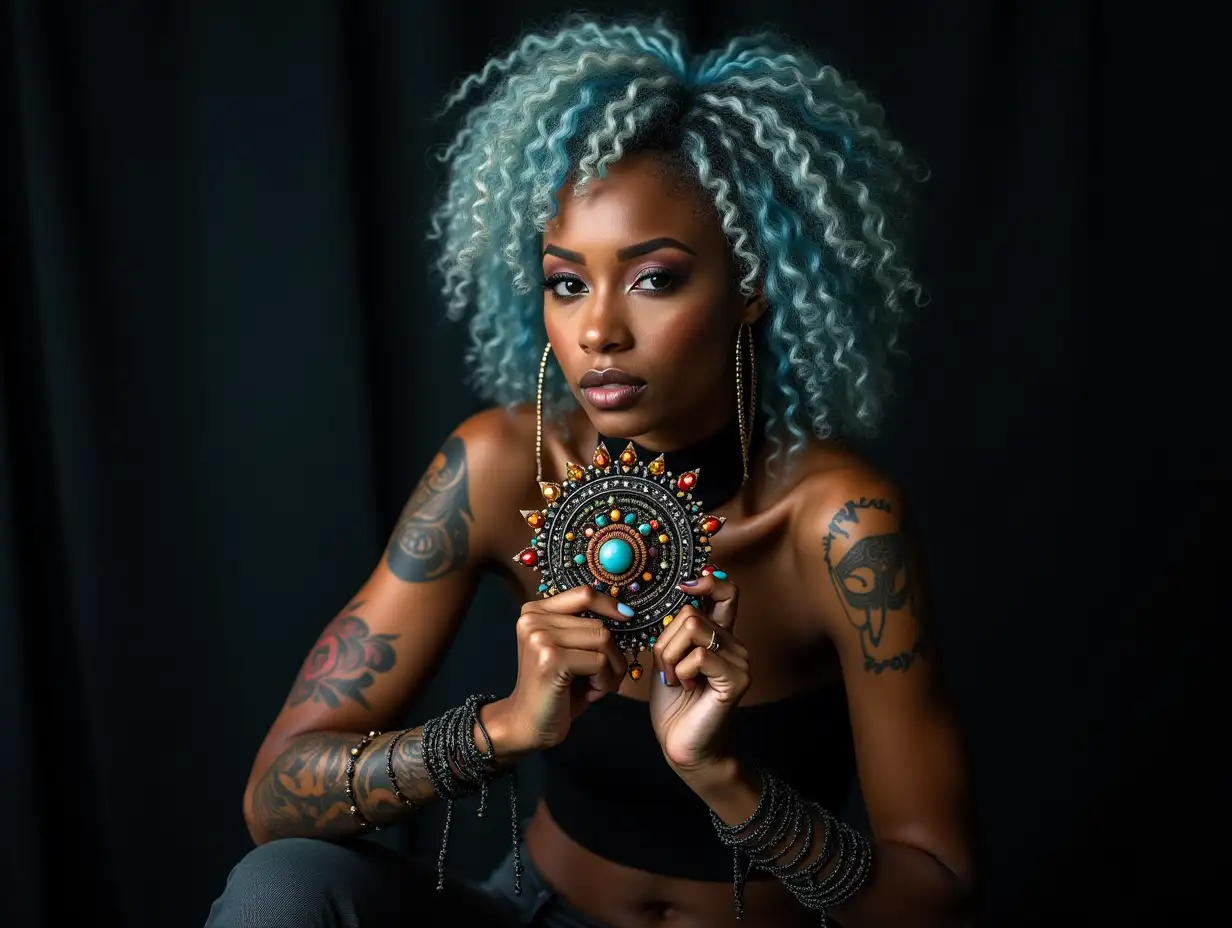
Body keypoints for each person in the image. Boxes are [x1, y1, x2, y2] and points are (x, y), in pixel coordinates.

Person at [207, 14, 974, 928]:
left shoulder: (842, 527)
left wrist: (726, 781)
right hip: (532, 916)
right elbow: (274, 800)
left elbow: (939, 897)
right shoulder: (499, 469)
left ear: (752, 284)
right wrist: (507, 728)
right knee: (283, 889)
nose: (597, 329)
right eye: (567, 282)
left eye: (653, 278)